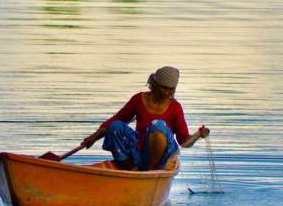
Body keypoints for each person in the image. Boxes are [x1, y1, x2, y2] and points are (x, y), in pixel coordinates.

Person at [81, 66, 210, 171]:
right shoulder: (138, 99)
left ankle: (151, 171)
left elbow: (184, 141)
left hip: (162, 160)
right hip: (139, 153)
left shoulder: (175, 107)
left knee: (158, 125)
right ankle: (132, 169)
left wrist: (198, 135)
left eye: (170, 89)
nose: (166, 93)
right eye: (164, 88)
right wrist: (94, 137)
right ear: (155, 84)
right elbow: (117, 119)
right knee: (115, 126)